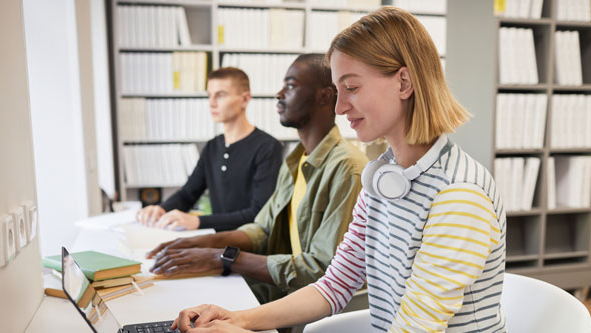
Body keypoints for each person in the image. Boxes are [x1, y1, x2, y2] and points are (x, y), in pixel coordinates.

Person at [170, 7, 507, 332]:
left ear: (404, 83)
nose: (341, 106)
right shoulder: (383, 175)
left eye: (352, 88)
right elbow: (334, 285)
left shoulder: (459, 196)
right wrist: (236, 319)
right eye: (338, 89)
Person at [146, 54, 370, 304]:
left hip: (308, 303)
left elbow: (320, 269)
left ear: (325, 96)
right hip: (283, 287)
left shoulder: (347, 169)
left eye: (291, 85)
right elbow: (262, 229)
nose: (279, 94)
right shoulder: (295, 160)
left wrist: (221, 257)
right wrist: (202, 243)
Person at [136, 67, 283, 232]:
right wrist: (161, 209)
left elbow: (259, 213)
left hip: (251, 246)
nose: (212, 103)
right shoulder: (212, 146)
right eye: (209, 95)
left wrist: (198, 221)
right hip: (218, 241)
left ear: (245, 99)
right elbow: (188, 193)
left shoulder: (268, 147)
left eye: (220, 95)